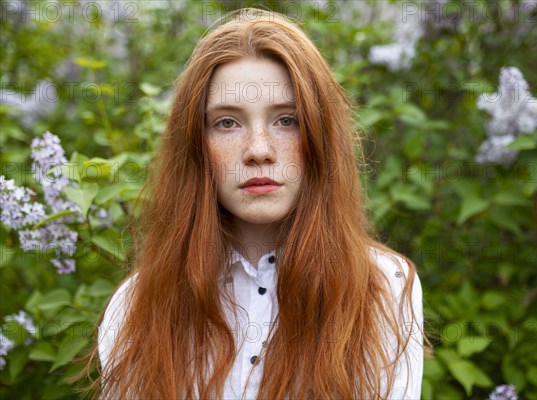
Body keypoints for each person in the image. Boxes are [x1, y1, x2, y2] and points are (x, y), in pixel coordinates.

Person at [93, 8, 423, 399]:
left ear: (320, 136)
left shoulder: (384, 286)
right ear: (196, 145)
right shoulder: (136, 306)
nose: (259, 151)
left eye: (287, 120)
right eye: (227, 123)